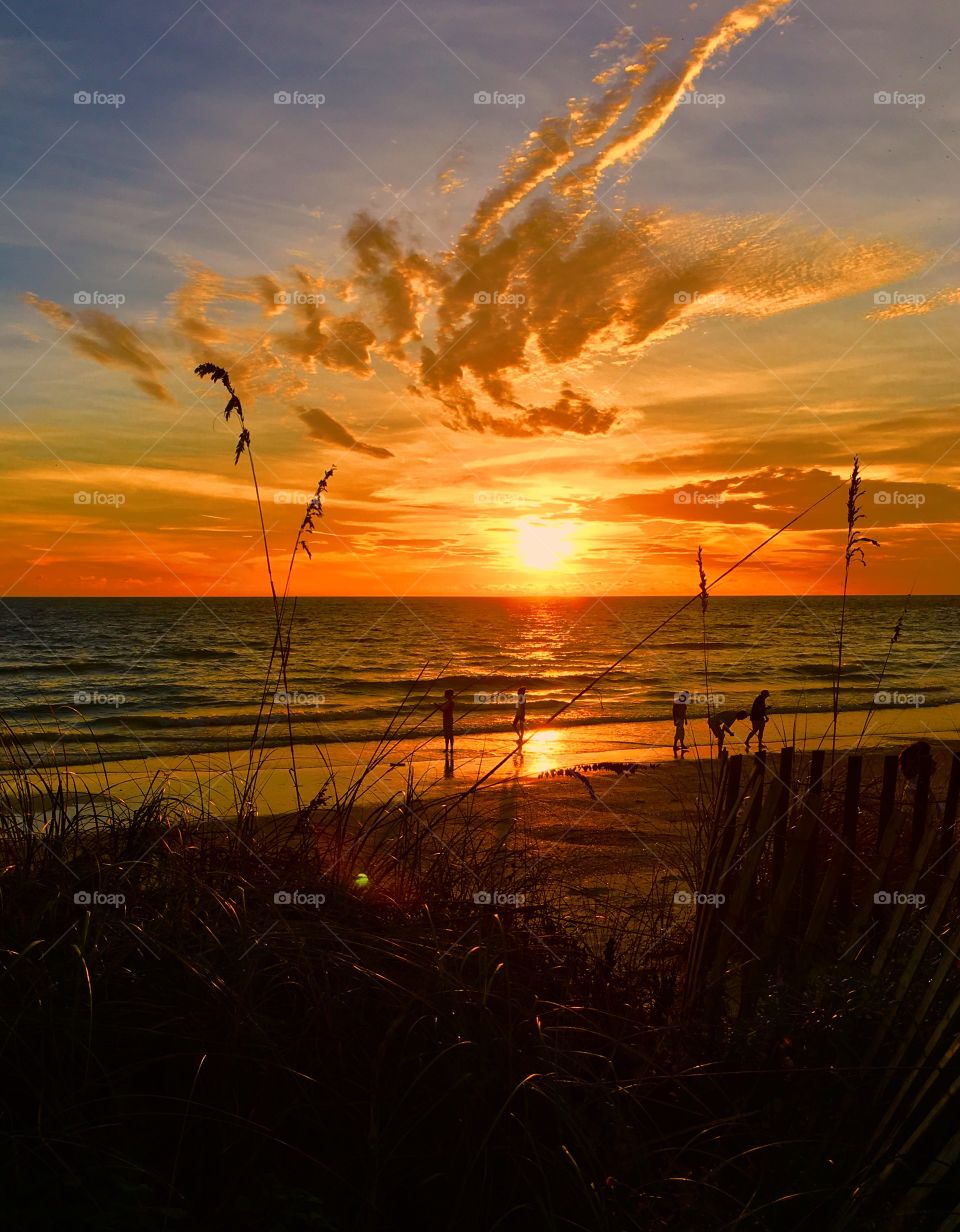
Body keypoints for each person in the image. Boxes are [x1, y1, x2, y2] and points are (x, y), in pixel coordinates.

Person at [672, 690, 690, 755]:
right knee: (678, 732)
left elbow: (684, 712)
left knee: (681, 732)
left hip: (681, 719)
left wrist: (685, 719)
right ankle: (675, 745)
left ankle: (681, 745)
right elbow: (674, 712)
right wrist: (675, 720)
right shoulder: (677, 702)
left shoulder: (684, 703)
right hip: (678, 719)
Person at [441, 689, 455, 757]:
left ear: (449, 695)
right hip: (446, 719)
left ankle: (451, 748)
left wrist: (437, 707)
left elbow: (444, 710)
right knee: (446, 734)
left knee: (450, 734)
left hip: (448, 719)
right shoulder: (448, 702)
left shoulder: (451, 702)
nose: (445, 695)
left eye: (446, 694)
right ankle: (446, 748)